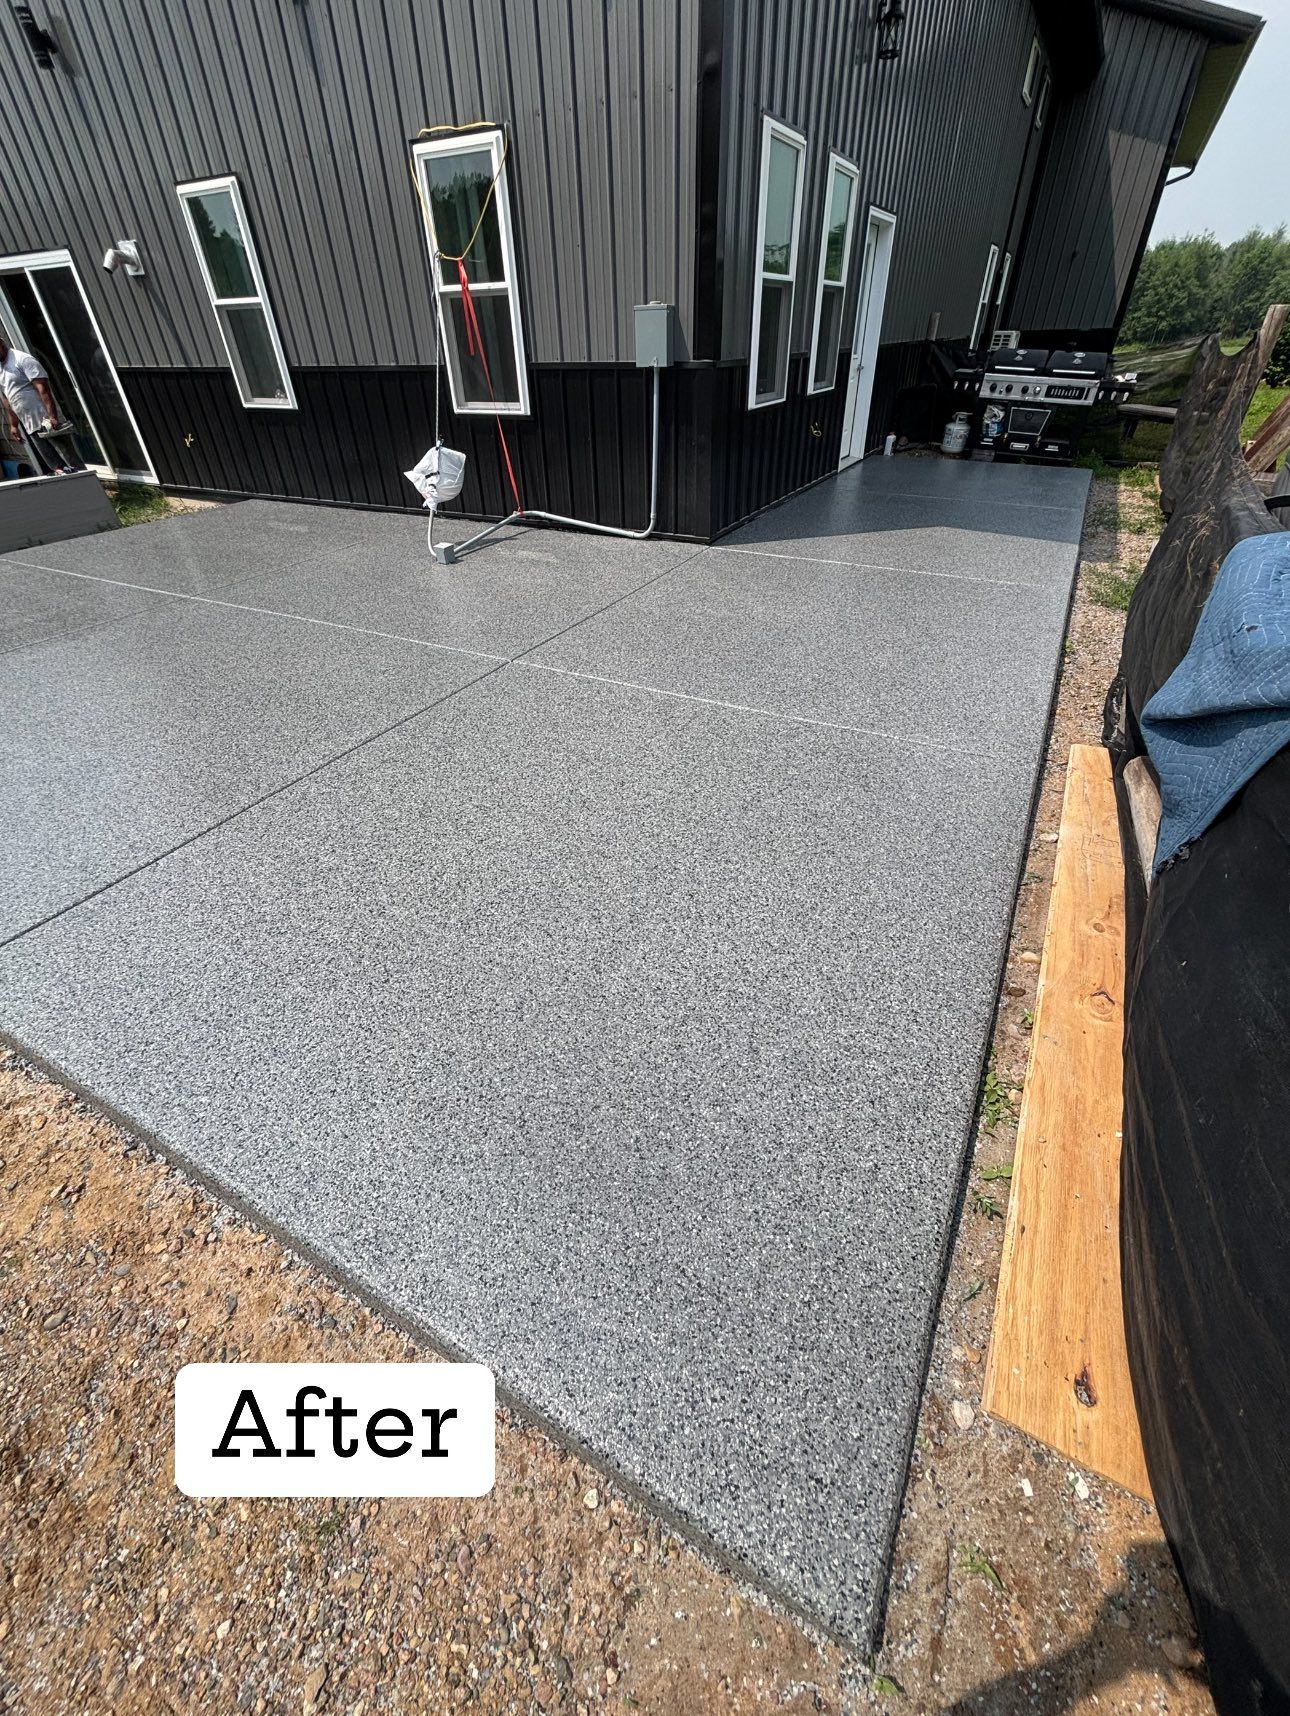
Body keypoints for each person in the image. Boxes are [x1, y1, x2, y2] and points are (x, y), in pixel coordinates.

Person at [0, 335, 79, 473]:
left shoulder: (22, 359)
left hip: (47, 419)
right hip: (29, 422)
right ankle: (70, 488)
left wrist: (53, 416)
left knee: (68, 457)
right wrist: (13, 425)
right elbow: (7, 399)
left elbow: (44, 389)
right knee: (54, 464)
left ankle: (87, 484)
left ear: (1, 345)